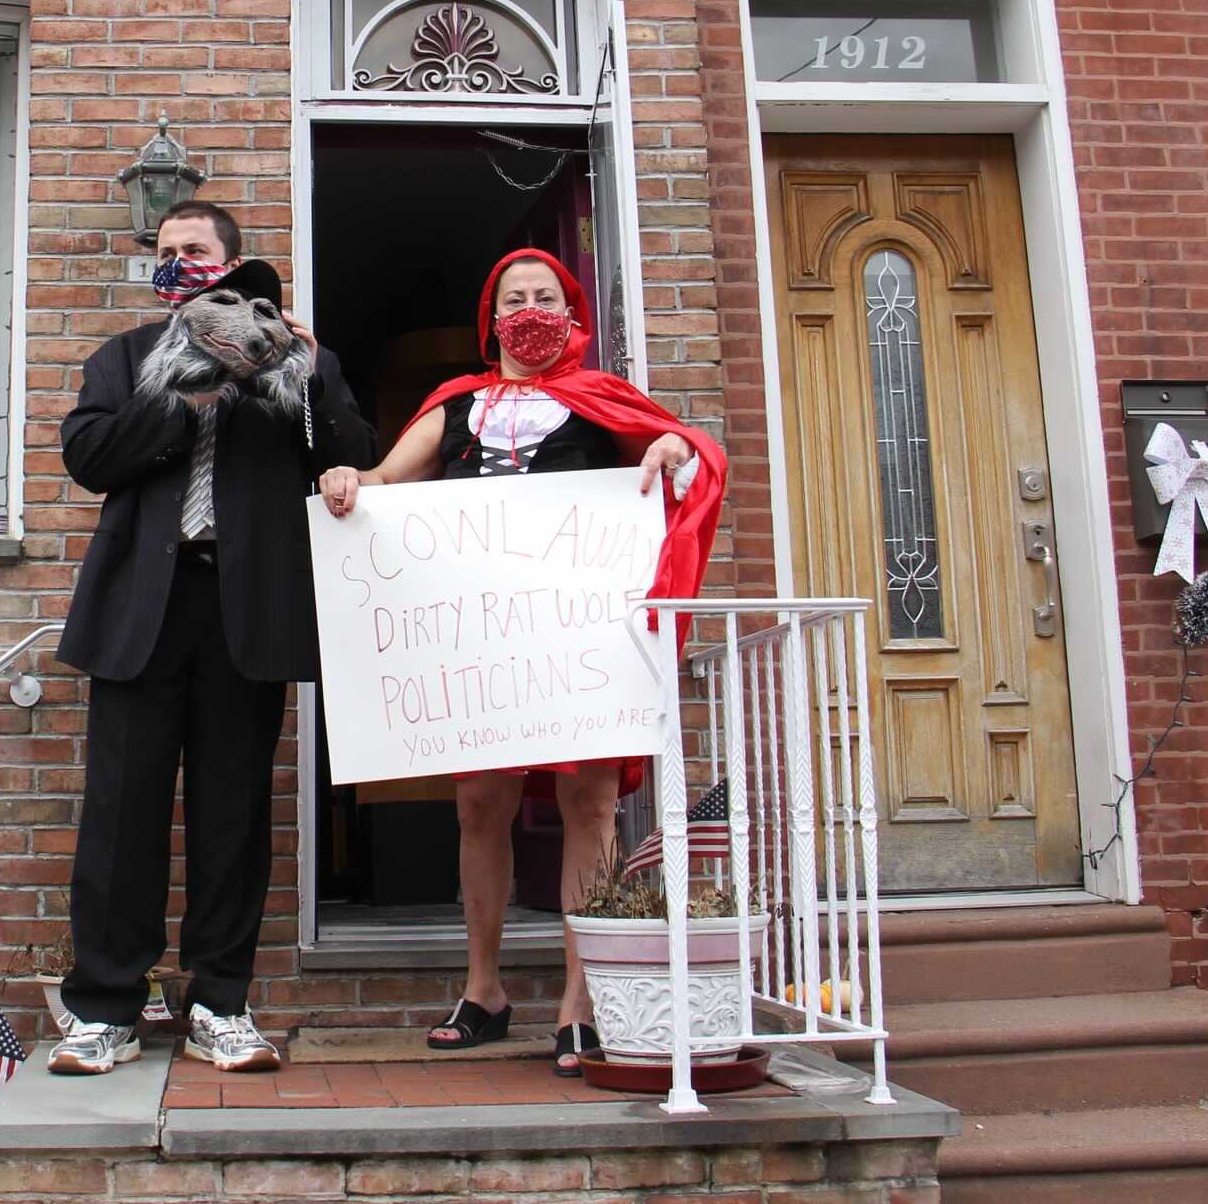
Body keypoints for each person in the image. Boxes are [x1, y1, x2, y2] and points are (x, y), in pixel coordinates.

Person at [317, 247, 727, 1075]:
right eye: (514, 297)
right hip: (486, 649)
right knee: (479, 805)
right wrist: (345, 481)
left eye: (546, 296)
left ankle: (583, 1003)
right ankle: (484, 990)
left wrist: (669, 450)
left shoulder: (601, 400)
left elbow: (689, 447)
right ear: (491, 317)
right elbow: (388, 477)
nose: (529, 309)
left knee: (591, 803)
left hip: (583, 644)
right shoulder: (454, 404)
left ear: (572, 316)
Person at [50, 199, 374, 1077]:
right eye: (166, 251)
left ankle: (220, 1006)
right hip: (140, 612)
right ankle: (105, 1009)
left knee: (232, 820)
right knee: (121, 818)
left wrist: (302, 369)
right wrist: (186, 389)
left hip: (247, 612)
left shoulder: (295, 357)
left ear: (232, 264)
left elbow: (347, 448)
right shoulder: (124, 357)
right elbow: (90, 459)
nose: (179, 261)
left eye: (195, 250)